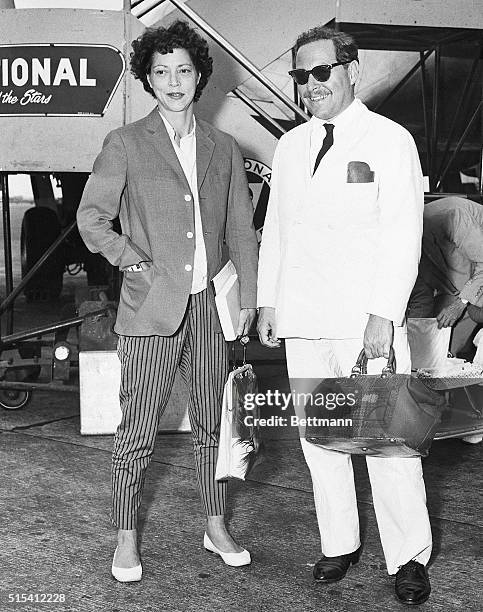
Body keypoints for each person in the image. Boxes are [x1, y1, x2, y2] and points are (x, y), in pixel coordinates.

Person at [77, 21, 258, 582]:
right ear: (148, 80)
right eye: (161, 72)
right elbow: (92, 218)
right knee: (138, 428)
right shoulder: (126, 143)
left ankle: (214, 522)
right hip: (150, 307)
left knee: (213, 422)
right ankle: (126, 536)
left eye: (183, 69)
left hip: (209, 308)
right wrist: (132, 260)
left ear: (199, 75)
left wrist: (249, 297)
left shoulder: (224, 148)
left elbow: (240, 230)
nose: (173, 81)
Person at [257, 26, 431, 605]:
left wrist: (384, 313)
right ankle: (340, 543)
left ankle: (407, 557)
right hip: (304, 318)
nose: (311, 86)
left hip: (365, 321)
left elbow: (403, 234)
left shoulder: (389, 141)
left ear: (352, 70)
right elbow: (277, 228)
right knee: (321, 441)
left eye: (322, 72)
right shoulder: (290, 147)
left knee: (385, 442)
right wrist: (269, 302)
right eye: (301, 76)